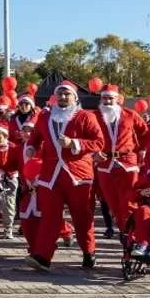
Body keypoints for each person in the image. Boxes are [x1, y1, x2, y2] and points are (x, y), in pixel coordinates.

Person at [22, 81, 105, 272]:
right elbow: (36, 136)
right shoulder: (45, 117)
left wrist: (74, 143)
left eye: (66, 94)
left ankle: (88, 251)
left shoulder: (85, 117)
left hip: (78, 175)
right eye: (59, 94)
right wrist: (32, 147)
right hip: (50, 175)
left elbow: (99, 142)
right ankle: (43, 256)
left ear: (75, 97)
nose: (62, 97)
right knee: (49, 217)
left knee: (82, 216)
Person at [92, 85, 146, 243]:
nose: (108, 102)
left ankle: (131, 233)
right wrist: (93, 152)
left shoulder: (130, 115)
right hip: (105, 164)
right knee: (112, 202)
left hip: (127, 163)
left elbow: (145, 132)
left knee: (129, 200)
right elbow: (86, 136)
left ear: (117, 99)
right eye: (105, 98)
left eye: (111, 98)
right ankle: (124, 229)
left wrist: (142, 150)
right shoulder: (94, 116)